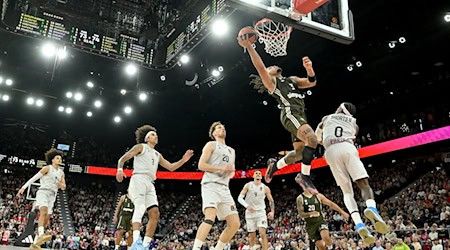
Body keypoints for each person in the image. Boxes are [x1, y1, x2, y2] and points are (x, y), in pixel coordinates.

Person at [237, 35, 319, 192]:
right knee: (312, 139)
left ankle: (275, 165)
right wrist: (249, 46)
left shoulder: (291, 80)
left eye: (271, 66)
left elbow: (311, 82)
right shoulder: (272, 83)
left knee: (301, 153)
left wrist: (309, 69)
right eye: (268, 68)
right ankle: (304, 176)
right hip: (290, 114)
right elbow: (260, 67)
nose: (270, 66)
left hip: (300, 115)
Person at [315, 102, 389, 244]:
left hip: (330, 151)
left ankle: (359, 223)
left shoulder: (326, 118)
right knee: (363, 184)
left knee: (347, 192)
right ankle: (371, 208)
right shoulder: (355, 124)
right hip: (347, 147)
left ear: (340, 108)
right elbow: (352, 134)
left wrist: (321, 139)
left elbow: (317, 136)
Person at [116, 125, 194, 250]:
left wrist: (183, 160)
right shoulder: (141, 147)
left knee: (155, 213)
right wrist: (120, 170)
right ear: (146, 138)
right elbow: (122, 159)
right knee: (140, 207)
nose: (155, 136)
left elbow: (171, 167)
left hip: (150, 183)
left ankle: (145, 245)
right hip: (139, 179)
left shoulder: (157, 154)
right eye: (152, 134)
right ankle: (136, 242)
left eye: (156, 134)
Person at [192, 121, 240, 250]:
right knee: (209, 218)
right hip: (211, 184)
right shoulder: (211, 145)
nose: (222, 129)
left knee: (235, 223)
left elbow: (231, 172)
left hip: (224, 188)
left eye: (224, 127)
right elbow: (201, 165)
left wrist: (230, 172)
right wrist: (220, 168)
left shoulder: (232, 151)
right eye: (219, 128)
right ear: (213, 133)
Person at [17, 148, 66, 250]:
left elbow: (64, 186)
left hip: (52, 195)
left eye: (60, 159)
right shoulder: (47, 168)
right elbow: (34, 178)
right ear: (52, 160)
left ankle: (35, 243)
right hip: (43, 191)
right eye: (57, 158)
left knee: (47, 217)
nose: (59, 160)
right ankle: (41, 234)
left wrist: (61, 184)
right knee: (43, 211)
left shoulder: (61, 173)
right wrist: (23, 188)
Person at [238, 170, 275, 250]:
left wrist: (272, 211)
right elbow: (239, 198)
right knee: (252, 235)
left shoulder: (265, 188)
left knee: (262, 233)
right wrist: (247, 206)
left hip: (260, 212)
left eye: (259, 174)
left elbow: (271, 201)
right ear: (253, 176)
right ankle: (251, 248)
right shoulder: (248, 185)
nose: (258, 174)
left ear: (261, 177)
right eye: (256, 173)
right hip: (249, 213)